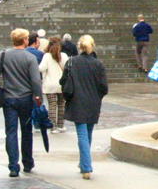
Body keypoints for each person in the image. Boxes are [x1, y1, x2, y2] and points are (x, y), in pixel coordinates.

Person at [0, 28, 42, 177]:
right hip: (26, 99)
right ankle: (27, 162)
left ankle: (13, 166)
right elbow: (35, 81)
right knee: (26, 131)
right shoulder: (30, 58)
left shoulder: (4, 54)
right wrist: (38, 98)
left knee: (11, 132)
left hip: (9, 98)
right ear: (25, 40)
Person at [60, 35, 108, 180]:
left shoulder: (72, 62)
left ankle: (86, 166)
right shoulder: (98, 64)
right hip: (93, 102)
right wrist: (97, 96)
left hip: (77, 100)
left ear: (79, 47)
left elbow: (63, 81)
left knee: (82, 134)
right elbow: (104, 87)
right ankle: (84, 164)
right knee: (88, 133)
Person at [39, 37, 68, 133]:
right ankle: (61, 125)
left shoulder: (47, 56)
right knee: (61, 105)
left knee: (52, 105)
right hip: (62, 85)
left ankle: (53, 127)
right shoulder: (64, 56)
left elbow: (41, 68)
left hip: (49, 84)